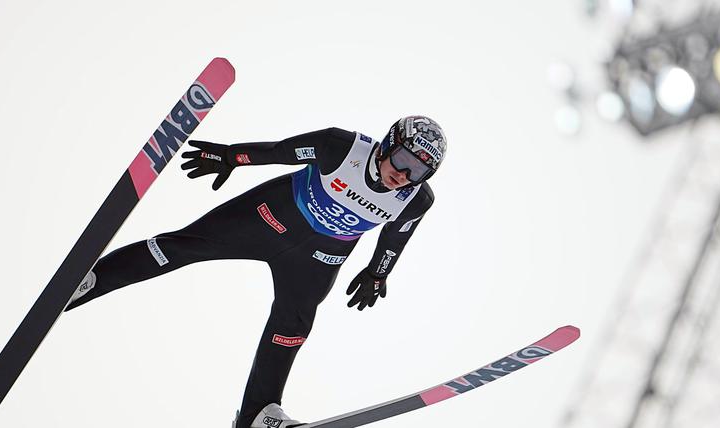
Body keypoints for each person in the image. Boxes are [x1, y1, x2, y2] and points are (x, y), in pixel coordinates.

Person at [64, 116, 447, 428]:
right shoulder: (340, 147)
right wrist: (232, 157)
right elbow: (281, 151)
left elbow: (395, 239)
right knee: (182, 247)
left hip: (318, 258)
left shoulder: (415, 199)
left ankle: (258, 415)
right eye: (403, 160)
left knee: (292, 328)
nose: (405, 175)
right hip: (267, 218)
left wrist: (377, 274)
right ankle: (90, 281)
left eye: (418, 171)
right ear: (386, 144)